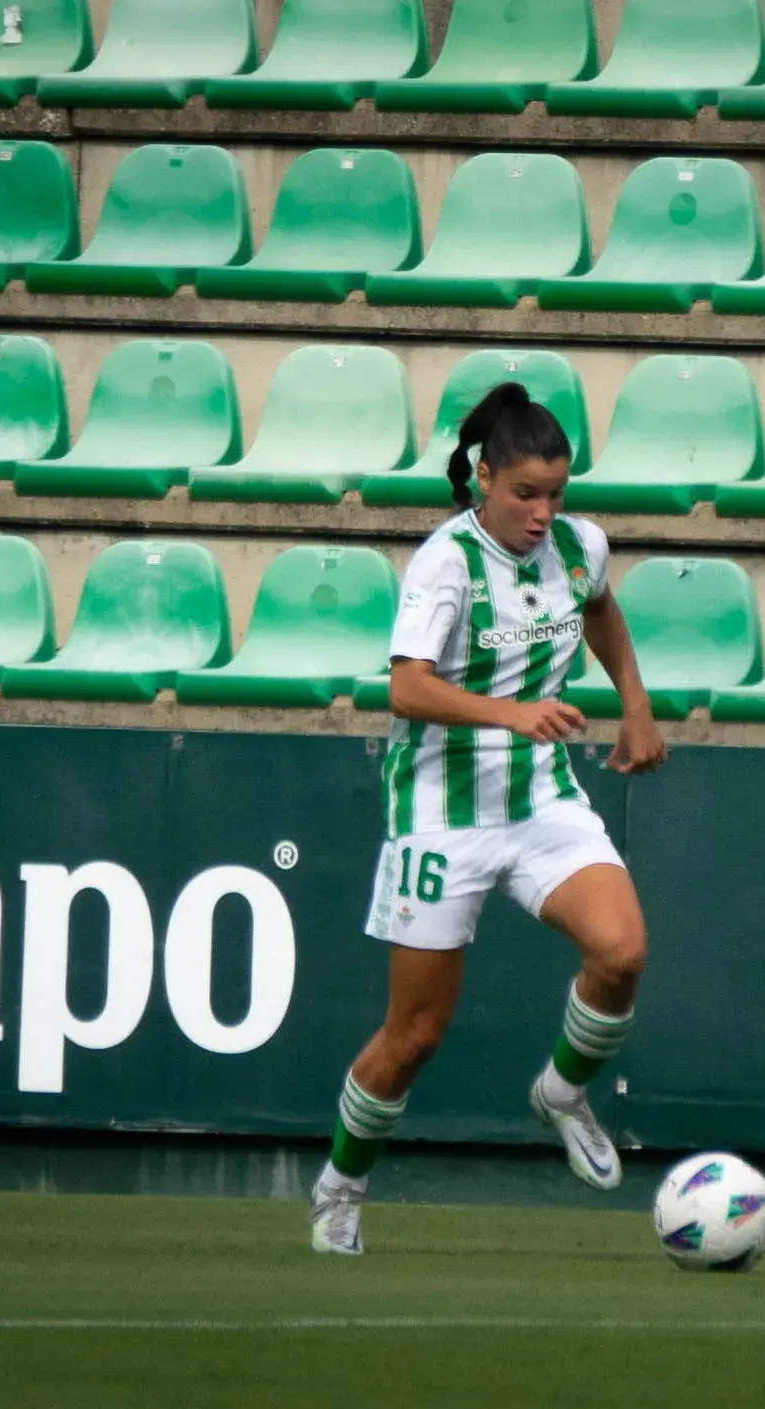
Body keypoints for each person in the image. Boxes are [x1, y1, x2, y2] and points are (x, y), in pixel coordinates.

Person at [309, 383, 667, 1255]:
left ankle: (559, 1091)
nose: (544, 514)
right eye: (525, 494)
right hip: (439, 813)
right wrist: (511, 713)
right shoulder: (444, 561)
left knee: (621, 952)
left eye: (555, 494)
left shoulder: (579, 545)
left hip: (541, 797)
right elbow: (406, 685)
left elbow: (598, 607)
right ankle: (339, 1187)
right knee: (415, 1035)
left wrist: (635, 702)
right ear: (482, 479)